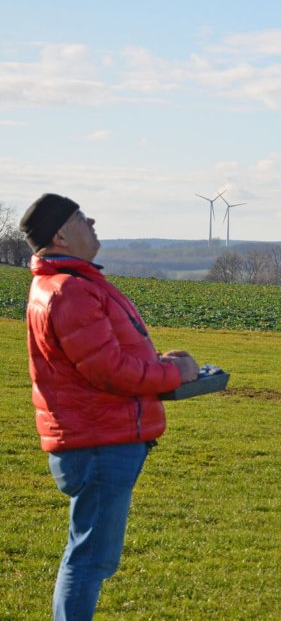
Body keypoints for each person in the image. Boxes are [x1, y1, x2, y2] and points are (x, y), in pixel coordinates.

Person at [19, 194, 199, 621]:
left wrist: (161, 364)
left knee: (90, 556)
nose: (92, 220)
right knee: (89, 561)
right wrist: (178, 375)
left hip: (98, 437)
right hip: (99, 443)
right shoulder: (69, 291)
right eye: (81, 217)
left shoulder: (66, 285)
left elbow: (106, 359)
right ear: (61, 234)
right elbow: (110, 371)